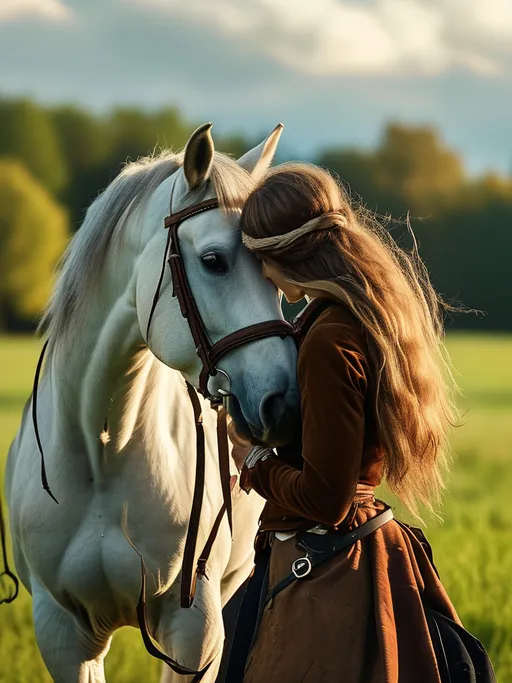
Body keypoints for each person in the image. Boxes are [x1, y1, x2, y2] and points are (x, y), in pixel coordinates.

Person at [225, 163, 495, 683]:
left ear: (286, 255)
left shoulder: (330, 338)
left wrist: (253, 462)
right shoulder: (353, 314)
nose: (261, 276)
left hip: (328, 577)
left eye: (261, 260)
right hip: (349, 557)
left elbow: (329, 497)